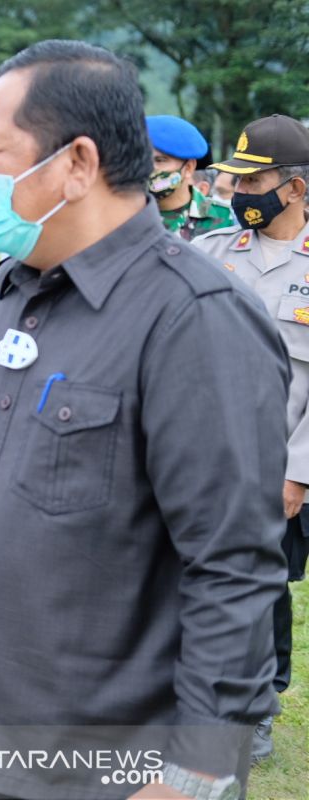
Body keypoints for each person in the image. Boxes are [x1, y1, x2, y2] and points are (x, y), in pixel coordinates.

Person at [0, 41, 286, 800]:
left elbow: (234, 567)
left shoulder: (194, 318)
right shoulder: (16, 284)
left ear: (77, 162)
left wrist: (199, 773)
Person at [193, 113, 309, 765]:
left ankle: (259, 705)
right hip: (203, 456)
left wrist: (299, 472)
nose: (240, 195)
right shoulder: (210, 252)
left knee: (264, 588)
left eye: (253, 180)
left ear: (293, 188)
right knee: (194, 576)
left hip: (277, 463)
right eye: (234, 182)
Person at [146, 114, 234, 240]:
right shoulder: (121, 214)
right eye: (143, 159)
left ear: (188, 168)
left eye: (160, 160)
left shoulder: (226, 220)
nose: (149, 168)